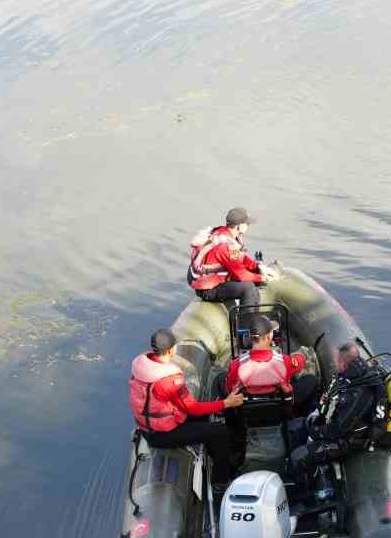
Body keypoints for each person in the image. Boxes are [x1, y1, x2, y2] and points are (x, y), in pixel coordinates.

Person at [129, 328, 246, 483]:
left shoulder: (141, 369)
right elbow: (193, 408)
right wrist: (227, 402)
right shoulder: (169, 380)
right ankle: (222, 479)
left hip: (148, 430)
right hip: (163, 435)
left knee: (206, 417)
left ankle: (211, 451)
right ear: (171, 350)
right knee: (220, 431)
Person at [224, 315, 320, 411]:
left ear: (249, 337)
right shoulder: (284, 361)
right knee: (311, 380)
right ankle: (305, 414)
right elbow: (300, 361)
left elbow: (229, 388)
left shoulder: (236, 364)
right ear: (270, 336)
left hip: (246, 413)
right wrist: (301, 357)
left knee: (220, 379)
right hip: (279, 410)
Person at [188, 207, 274, 308]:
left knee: (252, 278)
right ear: (240, 226)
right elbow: (242, 276)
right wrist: (263, 278)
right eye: (247, 223)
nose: (248, 225)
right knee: (248, 287)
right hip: (208, 290)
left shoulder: (222, 232)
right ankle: (246, 322)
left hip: (205, 280)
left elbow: (241, 259)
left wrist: (257, 266)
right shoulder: (228, 246)